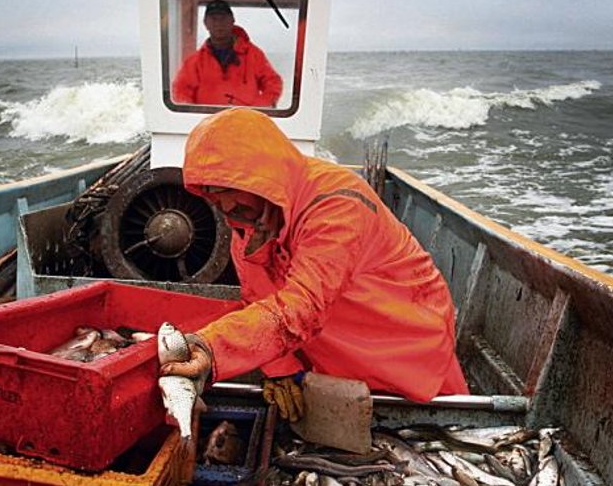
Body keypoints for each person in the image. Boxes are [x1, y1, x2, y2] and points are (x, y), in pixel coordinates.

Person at [160, 108, 469, 421]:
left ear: (263, 174)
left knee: (446, 433)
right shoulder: (247, 229)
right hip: (339, 361)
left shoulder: (337, 203)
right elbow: (258, 300)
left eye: (229, 188)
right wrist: (280, 369)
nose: (225, 206)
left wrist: (210, 349)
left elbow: (303, 306)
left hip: (408, 349)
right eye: (212, 193)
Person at [171, 0, 283, 107]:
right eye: (214, 18)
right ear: (206, 23)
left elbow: (273, 83)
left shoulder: (254, 55)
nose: (219, 23)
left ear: (232, 21)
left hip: (245, 122)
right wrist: (191, 115)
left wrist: (257, 109)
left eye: (223, 18)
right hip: (208, 123)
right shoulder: (194, 62)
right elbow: (181, 90)